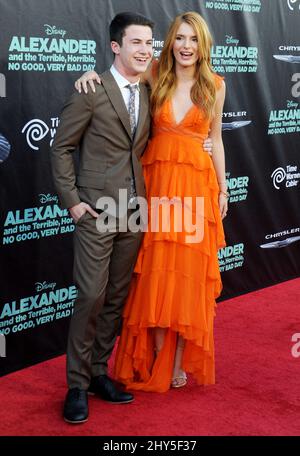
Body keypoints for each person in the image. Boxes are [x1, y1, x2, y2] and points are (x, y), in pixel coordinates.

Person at [74, 11, 228, 393]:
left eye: (194, 39)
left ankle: (176, 363)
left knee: (185, 280)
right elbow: (117, 80)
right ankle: (157, 357)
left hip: (194, 189)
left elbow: (218, 139)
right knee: (156, 275)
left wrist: (223, 189)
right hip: (154, 187)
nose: (186, 46)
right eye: (180, 38)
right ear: (171, 42)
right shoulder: (155, 73)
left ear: (203, 45)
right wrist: (87, 75)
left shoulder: (215, 86)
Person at [51, 12, 154, 424]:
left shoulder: (149, 89)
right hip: (96, 210)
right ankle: (76, 384)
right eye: (136, 43)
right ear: (115, 46)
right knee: (91, 295)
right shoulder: (90, 89)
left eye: (149, 43)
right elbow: (60, 148)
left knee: (115, 297)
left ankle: (97, 373)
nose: (145, 50)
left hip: (135, 209)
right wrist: (73, 201)